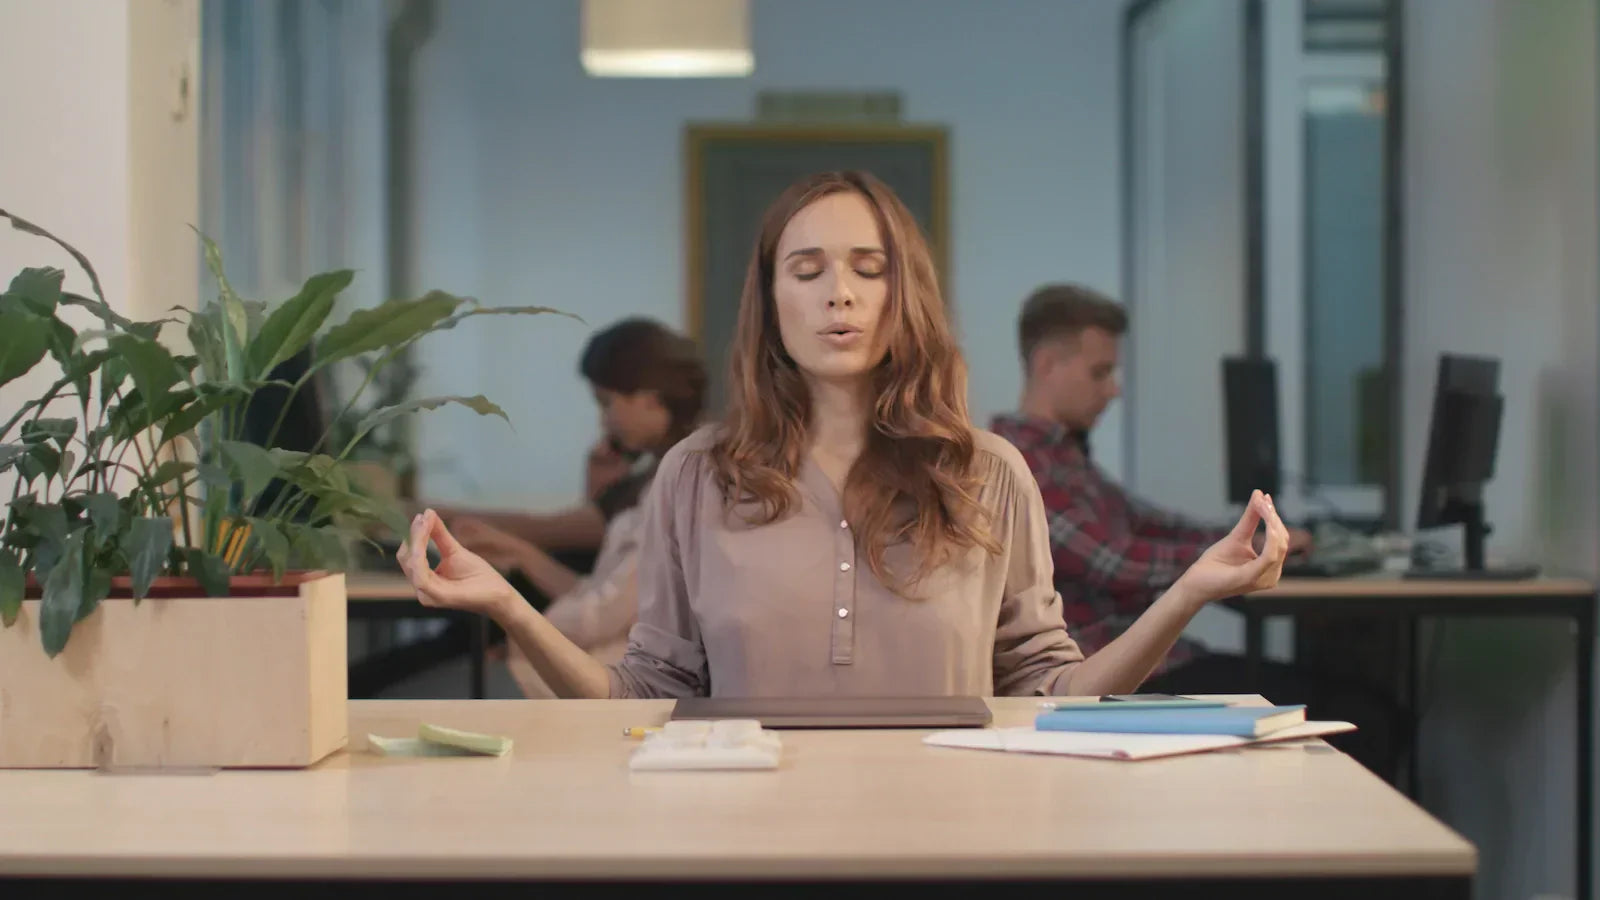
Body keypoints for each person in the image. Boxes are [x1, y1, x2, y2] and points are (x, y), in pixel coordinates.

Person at [397, 171, 1289, 700]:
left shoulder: (990, 473)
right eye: (807, 269)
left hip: (953, 841)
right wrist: (505, 604)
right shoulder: (694, 475)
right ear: (771, 297)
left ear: (906, 296)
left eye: (871, 269)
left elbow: (1050, 691)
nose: (841, 294)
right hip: (743, 841)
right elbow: (640, 697)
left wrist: (1188, 593)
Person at [991, 284, 1398, 777]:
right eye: (1101, 372)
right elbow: (1114, 560)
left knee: (1360, 702)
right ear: (1048, 366)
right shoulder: (1019, 464)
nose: (1113, 388)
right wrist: (1223, 559)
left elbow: (1152, 521)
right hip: (1113, 676)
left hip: (1154, 661)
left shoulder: (1066, 456)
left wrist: (1244, 535)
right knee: (1365, 716)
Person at [440, 318, 707, 696]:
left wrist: (526, 633)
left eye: (607, 402)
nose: (603, 420)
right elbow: (601, 593)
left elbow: (601, 615)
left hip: (619, 678)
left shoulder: (682, 481)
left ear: (649, 396)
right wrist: (521, 554)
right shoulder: (651, 480)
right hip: (603, 661)